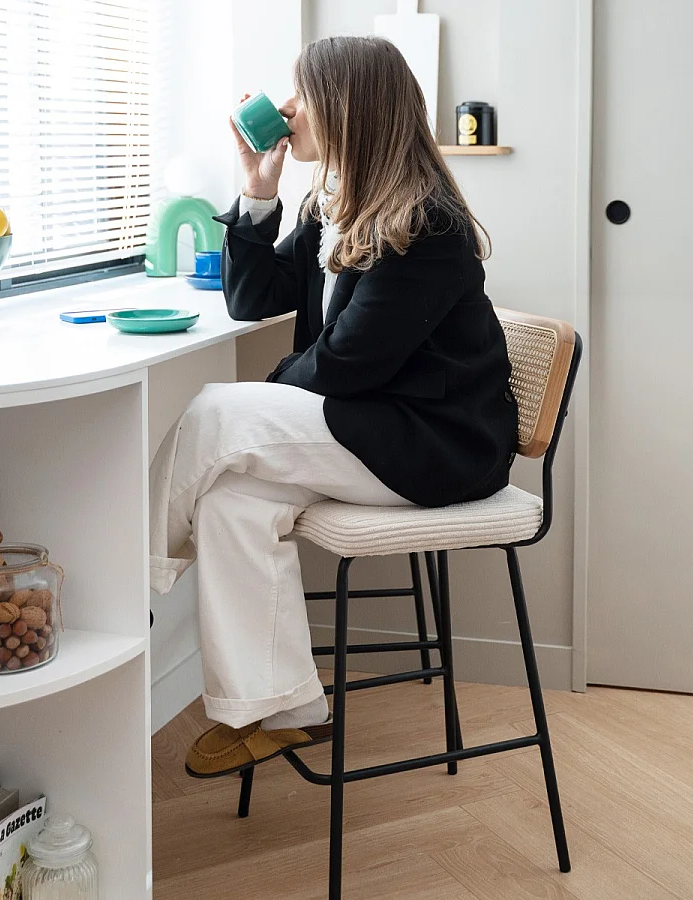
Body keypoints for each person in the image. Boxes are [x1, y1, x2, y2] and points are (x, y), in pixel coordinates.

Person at [149, 35, 519, 779]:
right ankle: (281, 710)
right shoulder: (337, 202)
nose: (287, 109)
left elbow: (348, 362)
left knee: (218, 411)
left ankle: (134, 589)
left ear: (346, 109)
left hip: (437, 445)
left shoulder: (427, 224)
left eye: (302, 94)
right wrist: (259, 190)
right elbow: (255, 297)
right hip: (369, 426)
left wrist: (263, 396)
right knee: (230, 502)